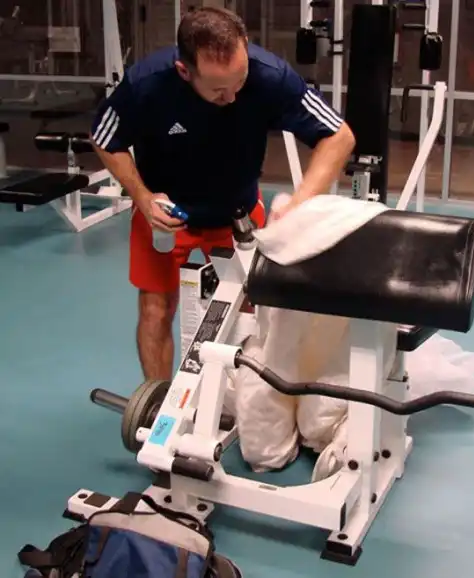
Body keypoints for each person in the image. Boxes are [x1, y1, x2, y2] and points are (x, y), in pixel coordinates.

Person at [90, 7, 356, 382]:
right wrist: (142, 196)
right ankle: (158, 402)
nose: (231, 97)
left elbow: (339, 136)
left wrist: (300, 203)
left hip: (238, 215)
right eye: (218, 90)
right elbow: (104, 138)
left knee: (248, 315)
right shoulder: (146, 84)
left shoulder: (270, 76)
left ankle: (241, 401)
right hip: (166, 217)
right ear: (185, 71)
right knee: (155, 310)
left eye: (239, 81)